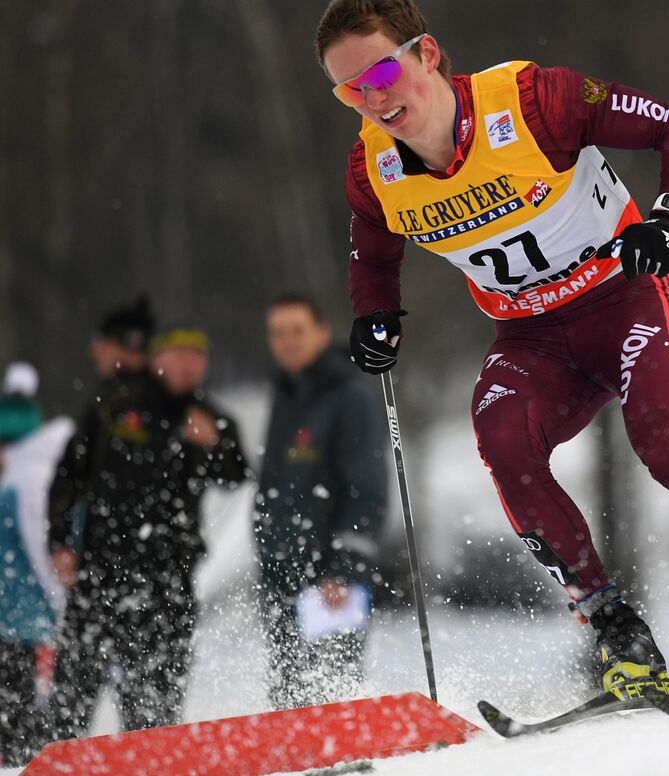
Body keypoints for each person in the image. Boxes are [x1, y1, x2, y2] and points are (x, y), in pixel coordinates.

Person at [314, 0, 669, 693]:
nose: (372, 100)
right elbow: (372, 249)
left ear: (427, 53)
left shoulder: (531, 103)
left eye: (381, 75)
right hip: (531, 339)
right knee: (503, 443)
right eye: (349, 92)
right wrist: (374, 314)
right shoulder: (373, 167)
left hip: (622, 303)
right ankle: (620, 636)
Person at [46, 323, 249, 739]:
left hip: (167, 585)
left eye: (197, 355)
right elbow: (68, 478)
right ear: (156, 359)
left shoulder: (209, 418)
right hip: (99, 579)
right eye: (178, 354)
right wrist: (62, 543)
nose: (188, 364)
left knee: (154, 720)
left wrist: (214, 443)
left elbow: (238, 475)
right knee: (69, 709)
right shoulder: (113, 407)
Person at [256, 294, 388, 709]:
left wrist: (345, 568)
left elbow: (367, 487)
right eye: (278, 333)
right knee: (289, 699)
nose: (287, 342)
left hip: (331, 579)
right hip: (282, 573)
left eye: (297, 330)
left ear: (322, 333)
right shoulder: (284, 394)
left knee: (333, 697)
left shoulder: (350, 395)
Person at [0, 363, 73, 765]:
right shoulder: (14, 480)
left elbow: (40, 550)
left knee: (23, 723)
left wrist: (58, 609)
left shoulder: (27, 480)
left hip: (25, 624)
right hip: (13, 622)